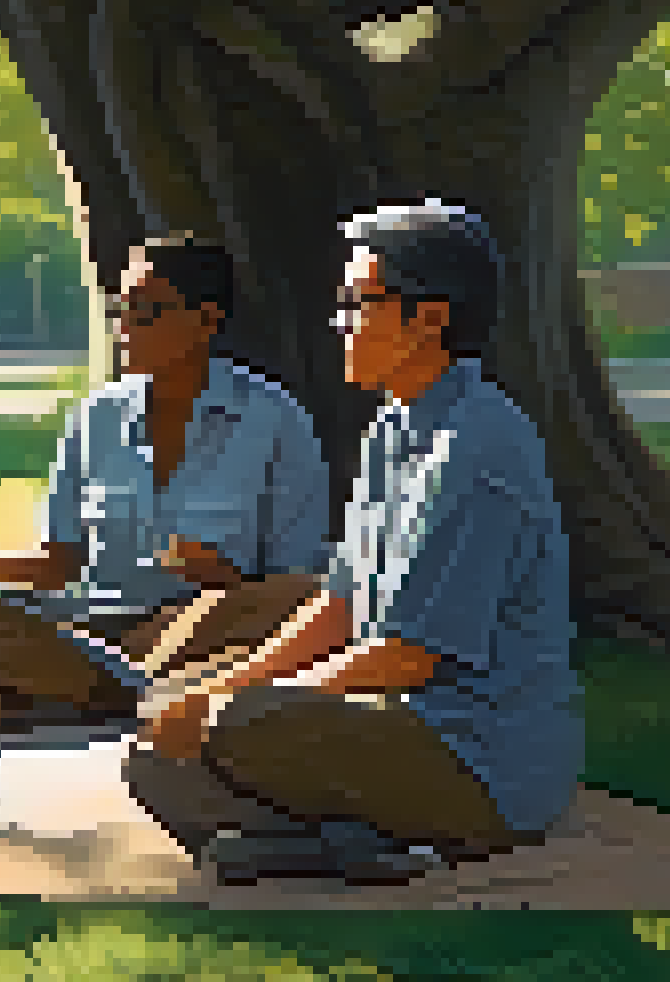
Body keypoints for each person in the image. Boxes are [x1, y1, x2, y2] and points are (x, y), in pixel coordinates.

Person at [125, 201, 581, 887]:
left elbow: (409, 657)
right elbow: (339, 607)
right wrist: (217, 689)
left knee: (233, 723)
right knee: (158, 743)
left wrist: (236, 707)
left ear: (428, 317)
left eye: (356, 302)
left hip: (480, 758)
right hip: (383, 720)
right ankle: (345, 844)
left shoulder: (476, 448)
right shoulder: (391, 431)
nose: (337, 322)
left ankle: (340, 836)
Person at [0, 234, 331, 735]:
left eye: (146, 311)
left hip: (208, 624)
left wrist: (222, 575)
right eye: (119, 309)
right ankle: (146, 693)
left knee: (299, 599)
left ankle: (65, 693)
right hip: (94, 629)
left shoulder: (275, 418)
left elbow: (297, 583)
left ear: (206, 321)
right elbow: (61, 565)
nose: (124, 327)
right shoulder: (96, 418)